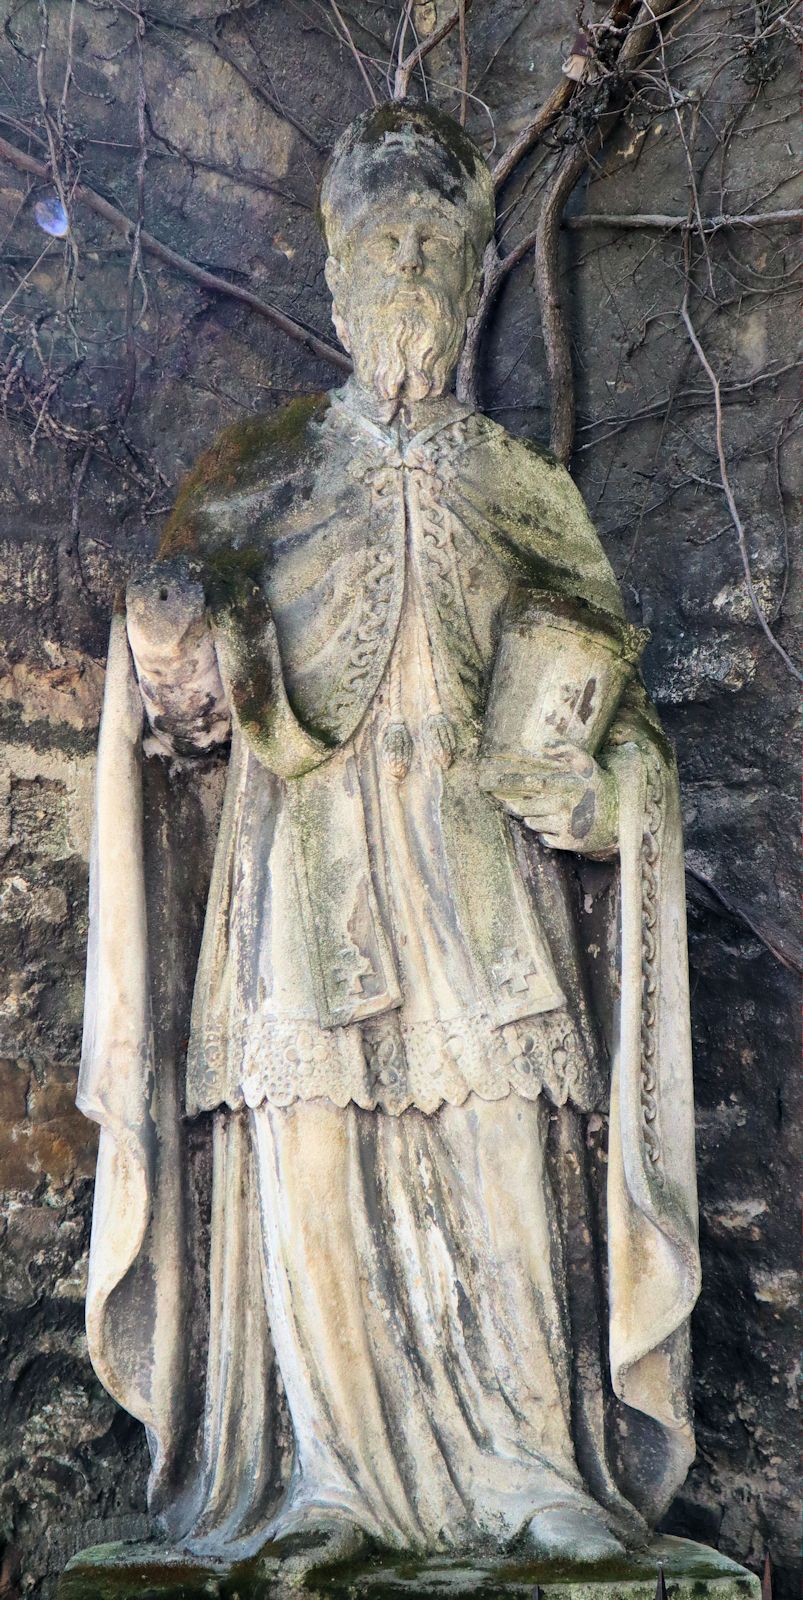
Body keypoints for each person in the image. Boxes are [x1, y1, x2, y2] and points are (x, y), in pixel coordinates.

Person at [79, 102, 700, 1579]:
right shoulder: (263, 474)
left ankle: (537, 1471)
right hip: (303, 896)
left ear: (477, 268)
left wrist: (614, 799)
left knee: (505, 1160)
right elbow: (184, 719)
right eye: (384, 240)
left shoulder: (528, 494)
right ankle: (325, 1480)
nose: (410, 263)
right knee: (311, 1176)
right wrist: (167, 649)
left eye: (437, 239)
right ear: (341, 279)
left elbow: (624, 736)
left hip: (487, 897)